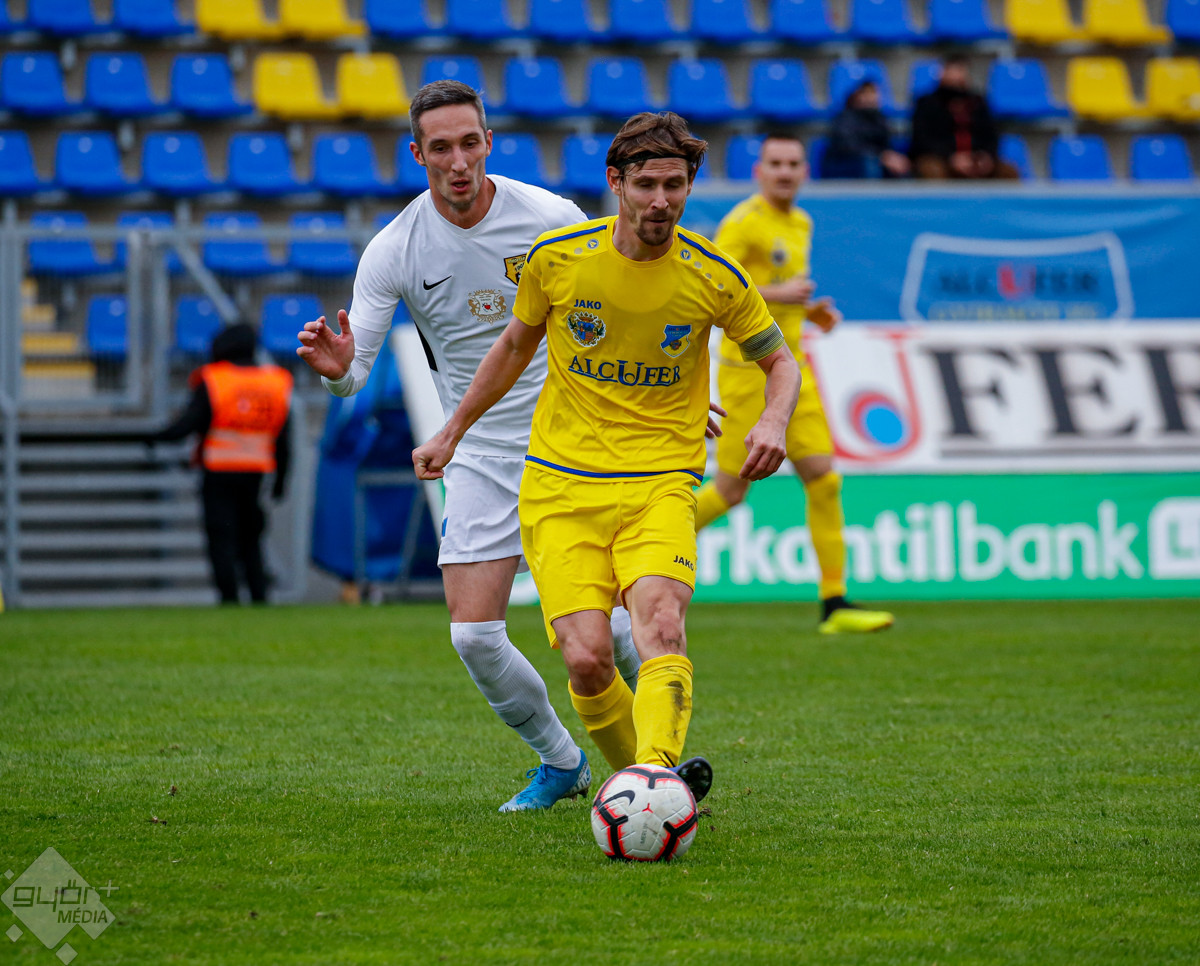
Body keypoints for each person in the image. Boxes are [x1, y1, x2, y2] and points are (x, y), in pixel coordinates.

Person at [412, 111, 803, 804]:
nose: (661, 201)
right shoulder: (559, 259)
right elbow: (513, 347)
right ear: (615, 183)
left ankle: (655, 781)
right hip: (562, 486)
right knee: (589, 658)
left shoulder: (715, 276)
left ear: (689, 187)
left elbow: (780, 361)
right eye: (646, 185)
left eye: (674, 186)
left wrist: (773, 418)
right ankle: (648, 786)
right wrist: (452, 432)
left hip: (660, 482)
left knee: (662, 623)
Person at [296, 80, 643, 813]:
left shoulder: (551, 218)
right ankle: (562, 761)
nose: (458, 161)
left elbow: (618, 308)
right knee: (475, 636)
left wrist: (662, 392)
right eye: (440, 148)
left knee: (611, 627)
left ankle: (656, 761)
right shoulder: (395, 248)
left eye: (468, 143)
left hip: (573, 442)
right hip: (479, 452)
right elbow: (353, 375)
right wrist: (336, 370)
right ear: (417, 154)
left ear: (489, 142)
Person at [692, 134, 895, 635]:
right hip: (746, 373)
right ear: (759, 171)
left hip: (793, 369)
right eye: (775, 163)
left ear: (805, 171)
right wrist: (781, 293)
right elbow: (713, 287)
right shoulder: (743, 223)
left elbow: (778, 296)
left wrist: (809, 311)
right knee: (730, 491)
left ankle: (835, 602)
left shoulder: (801, 222)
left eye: (793, 164)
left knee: (824, 478)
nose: (784, 172)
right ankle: (634, 547)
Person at [150, 323, 292, 604]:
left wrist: (156, 437)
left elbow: (188, 423)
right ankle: (259, 595)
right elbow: (283, 439)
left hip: (219, 472)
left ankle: (229, 597)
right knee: (251, 539)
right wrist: (281, 481)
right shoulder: (275, 381)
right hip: (255, 473)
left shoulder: (214, 379)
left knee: (221, 537)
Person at [909, 54, 1018, 181]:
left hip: (975, 158)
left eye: (960, 70)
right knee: (932, 169)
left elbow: (991, 134)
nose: (956, 76)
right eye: (952, 70)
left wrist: (984, 156)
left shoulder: (978, 102)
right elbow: (922, 140)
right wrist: (951, 157)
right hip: (941, 157)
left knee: (1008, 171)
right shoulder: (926, 103)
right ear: (942, 73)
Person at [823, 81, 911, 179]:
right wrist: (880, 156)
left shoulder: (880, 119)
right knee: (869, 163)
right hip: (846, 162)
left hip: (876, 159)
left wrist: (892, 157)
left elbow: (886, 145)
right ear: (857, 96)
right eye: (866, 93)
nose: (870, 97)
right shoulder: (845, 118)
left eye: (873, 93)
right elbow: (847, 146)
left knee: (900, 164)